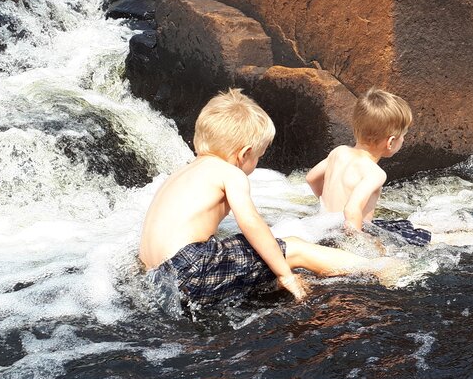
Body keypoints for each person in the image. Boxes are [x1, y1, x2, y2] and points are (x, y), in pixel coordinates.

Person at [140, 88, 382, 304]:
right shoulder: (230, 173)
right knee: (294, 248)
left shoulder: (182, 172)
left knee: (244, 249)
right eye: (259, 156)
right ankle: (379, 268)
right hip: (191, 269)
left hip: (155, 275)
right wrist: (285, 275)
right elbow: (251, 223)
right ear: (244, 154)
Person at [306, 88, 432, 247]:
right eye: (404, 135)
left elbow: (311, 178)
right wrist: (360, 244)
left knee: (403, 227)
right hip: (349, 232)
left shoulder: (338, 152)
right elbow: (351, 210)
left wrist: (327, 210)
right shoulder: (374, 173)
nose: (404, 139)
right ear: (391, 142)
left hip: (324, 227)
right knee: (423, 240)